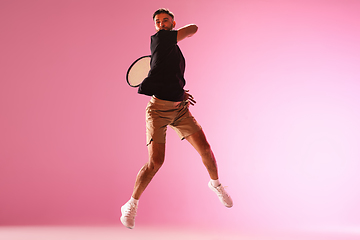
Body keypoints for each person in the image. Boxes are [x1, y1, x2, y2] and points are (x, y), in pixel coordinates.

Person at [120, 8, 233, 229]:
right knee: (156, 163)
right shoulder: (161, 38)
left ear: (173, 21)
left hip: (180, 109)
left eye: (165, 20)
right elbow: (193, 29)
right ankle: (131, 205)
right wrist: (177, 31)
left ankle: (216, 185)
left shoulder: (171, 49)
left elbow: (167, 75)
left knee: (205, 149)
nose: (161, 24)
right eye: (158, 21)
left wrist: (180, 92)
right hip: (157, 112)